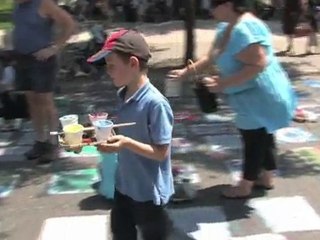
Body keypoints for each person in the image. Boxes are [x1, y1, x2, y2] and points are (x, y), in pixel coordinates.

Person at [168, 0, 296, 199]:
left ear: (228, 4)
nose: (210, 10)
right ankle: (266, 177)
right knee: (264, 133)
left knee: (253, 138)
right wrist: (186, 71)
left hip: (259, 94)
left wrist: (223, 84)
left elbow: (258, 64)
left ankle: (245, 186)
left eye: (214, 5)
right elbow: (211, 57)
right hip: (254, 93)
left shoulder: (242, 30)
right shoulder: (227, 27)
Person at [87, 29, 174, 239]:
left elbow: (161, 152)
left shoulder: (156, 103)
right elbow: (127, 131)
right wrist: (95, 134)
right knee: (120, 232)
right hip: (125, 184)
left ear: (133, 64)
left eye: (112, 66)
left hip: (148, 191)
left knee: (154, 234)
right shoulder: (124, 93)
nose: (108, 72)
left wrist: (125, 143)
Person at [12, 0, 76, 164]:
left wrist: (54, 48)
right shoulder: (18, 6)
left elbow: (69, 24)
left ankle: (53, 143)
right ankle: (40, 141)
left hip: (42, 60)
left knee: (45, 101)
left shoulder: (43, 4)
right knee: (32, 100)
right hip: (22, 58)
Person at [0, 55, 16, 131]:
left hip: (6, 90)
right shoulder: (8, 69)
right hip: (6, 90)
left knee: (7, 105)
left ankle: (8, 123)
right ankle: (8, 123)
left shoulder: (8, 69)